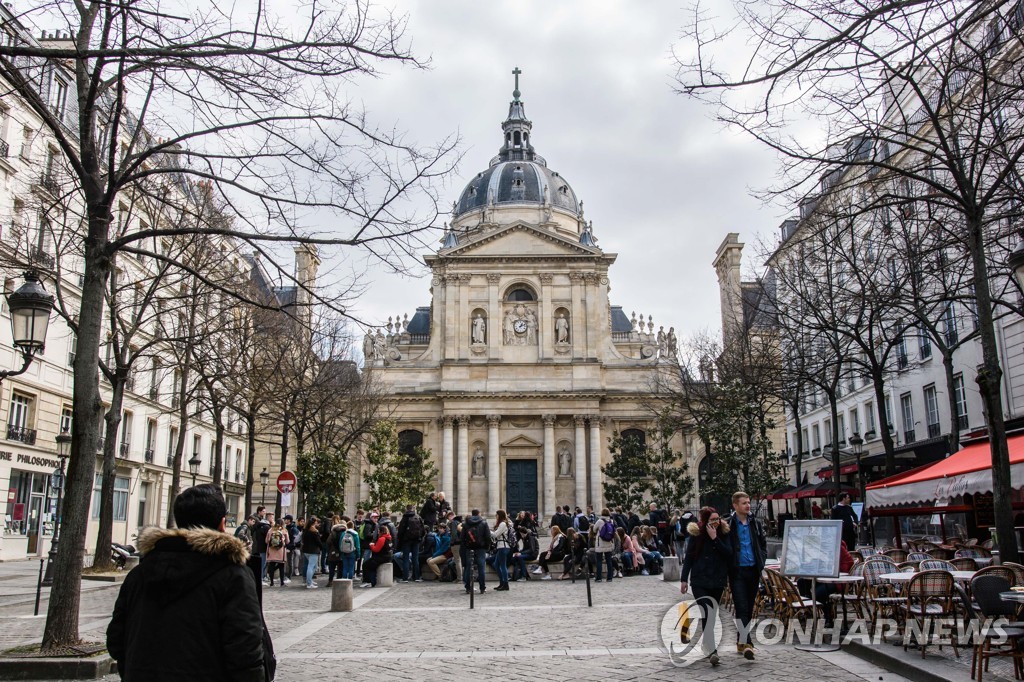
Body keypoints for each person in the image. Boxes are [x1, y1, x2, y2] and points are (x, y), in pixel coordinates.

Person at [107, 484, 269, 681]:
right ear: (222, 524)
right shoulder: (234, 576)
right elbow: (246, 652)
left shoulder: (139, 574)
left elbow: (116, 640)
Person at [680, 506, 732, 667]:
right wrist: (683, 579)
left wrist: (715, 538)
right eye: (712, 520)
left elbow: (728, 553)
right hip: (699, 580)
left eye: (717, 519)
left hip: (717, 579)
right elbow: (688, 557)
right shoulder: (696, 534)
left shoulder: (723, 532)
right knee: (707, 610)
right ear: (704, 521)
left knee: (710, 614)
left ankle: (707, 645)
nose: (716, 522)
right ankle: (712, 650)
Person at [725, 491, 767, 660]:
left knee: (749, 608)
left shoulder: (754, 523)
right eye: (744, 503)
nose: (748, 505)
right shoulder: (728, 524)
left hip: (753, 569)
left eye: (748, 502)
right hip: (737, 571)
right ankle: (747, 642)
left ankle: (741, 641)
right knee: (741, 606)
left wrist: (761, 561)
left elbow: (762, 544)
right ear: (735, 505)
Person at [461, 508, 490, 594]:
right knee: (481, 568)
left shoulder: (466, 524)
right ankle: (482, 587)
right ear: (479, 514)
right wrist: (486, 547)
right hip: (481, 548)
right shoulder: (484, 523)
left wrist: (466, 546)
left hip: (469, 548)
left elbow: (462, 538)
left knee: (468, 567)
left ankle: (468, 587)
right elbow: (488, 537)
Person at [397, 503, 426, 583]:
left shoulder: (405, 517)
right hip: (416, 540)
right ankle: (416, 577)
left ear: (407, 509)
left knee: (406, 559)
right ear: (414, 509)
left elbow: (400, 531)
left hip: (406, 541)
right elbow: (423, 530)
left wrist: (401, 539)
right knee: (415, 558)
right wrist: (420, 538)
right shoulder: (418, 517)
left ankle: (405, 578)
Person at [361, 522, 394, 588]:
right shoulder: (389, 538)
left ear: (381, 531)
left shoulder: (382, 539)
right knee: (371, 565)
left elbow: (376, 550)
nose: (378, 532)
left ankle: (368, 581)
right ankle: (372, 581)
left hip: (381, 557)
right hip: (387, 556)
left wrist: (371, 545)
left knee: (366, 565)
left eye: (379, 531)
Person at [491, 509, 513, 591]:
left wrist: (487, 530)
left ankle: (505, 584)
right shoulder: (503, 523)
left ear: (499, 515)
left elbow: (496, 535)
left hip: (503, 547)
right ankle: (502, 582)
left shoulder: (503, 524)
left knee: (502, 566)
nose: (496, 516)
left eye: (496, 515)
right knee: (496, 565)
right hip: (501, 547)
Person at [593, 508, 616, 582]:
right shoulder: (611, 521)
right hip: (608, 542)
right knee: (609, 560)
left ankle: (599, 578)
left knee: (599, 561)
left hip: (600, 543)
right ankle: (609, 577)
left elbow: (594, 529)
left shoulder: (599, 521)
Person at [301, 516, 323, 589]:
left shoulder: (305, 530)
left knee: (311, 566)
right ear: (314, 523)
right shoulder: (314, 531)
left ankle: (309, 580)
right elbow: (318, 541)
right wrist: (321, 547)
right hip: (313, 550)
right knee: (311, 566)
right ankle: (309, 583)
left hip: (306, 550)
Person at [266, 518, 289, 586]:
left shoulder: (270, 530)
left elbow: (266, 541)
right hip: (281, 552)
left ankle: (271, 582)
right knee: (281, 567)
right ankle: (282, 582)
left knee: (272, 566)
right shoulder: (284, 530)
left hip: (271, 551)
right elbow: (288, 541)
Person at [253, 507, 271, 584]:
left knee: (261, 562)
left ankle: (261, 577)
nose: (264, 513)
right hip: (262, 546)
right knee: (262, 563)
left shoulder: (259, 526)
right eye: (263, 511)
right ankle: (260, 578)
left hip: (259, 546)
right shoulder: (264, 526)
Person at [325, 516, 345, 585]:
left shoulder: (333, 532)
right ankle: (339, 581)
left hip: (332, 552)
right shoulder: (344, 533)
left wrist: (329, 550)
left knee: (332, 568)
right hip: (342, 552)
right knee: (340, 568)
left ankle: (330, 581)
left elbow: (328, 542)